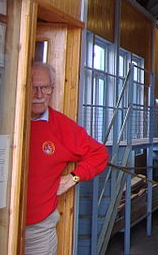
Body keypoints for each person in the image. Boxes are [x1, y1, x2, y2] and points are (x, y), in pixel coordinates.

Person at [25, 61, 108, 255]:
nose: (38, 95)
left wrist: (73, 177)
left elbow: (100, 154)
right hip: (0, 220)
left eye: (44, 88)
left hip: (39, 228)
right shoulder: (4, 120)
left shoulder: (61, 126)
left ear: (52, 89)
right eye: (33, 87)